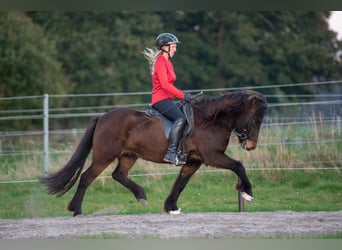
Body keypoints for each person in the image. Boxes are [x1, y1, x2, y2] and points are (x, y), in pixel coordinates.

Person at [142, 32, 191, 166]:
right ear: (165, 47)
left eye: (175, 47)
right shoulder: (160, 62)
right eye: (173, 47)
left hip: (167, 99)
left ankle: (181, 151)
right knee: (180, 119)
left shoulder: (168, 62)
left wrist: (181, 97)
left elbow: (170, 85)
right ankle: (171, 153)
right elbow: (165, 84)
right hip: (160, 100)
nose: (175, 49)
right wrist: (182, 95)